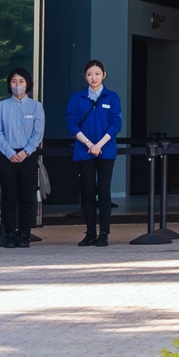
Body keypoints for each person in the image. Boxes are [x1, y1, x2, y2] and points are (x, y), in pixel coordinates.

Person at [65, 60, 123, 246]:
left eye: (97, 74)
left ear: (104, 75)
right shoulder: (77, 98)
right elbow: (71, 123)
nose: (94, 78)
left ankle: (104, 233)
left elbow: (116, 124)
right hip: (85, 150)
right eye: (90, 74)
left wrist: (99, 144)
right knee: (88, 192)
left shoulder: (112, 97)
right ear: (85, 76)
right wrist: (89, 144)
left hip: (105, 150)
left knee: (104, 192)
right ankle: (90, 232)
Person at [0, 68, 46, 247]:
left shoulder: (36, 106)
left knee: (26, 197)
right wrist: (10, 153)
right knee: (9, 196)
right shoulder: (2, 107)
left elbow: (38, 133)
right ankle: (10, 234)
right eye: (14, 82)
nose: (17, 85)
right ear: (9, 84)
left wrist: (25, 151)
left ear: (27, 84)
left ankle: (25, 234)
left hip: (28, 156)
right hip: (7, 157)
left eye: (21, 82)